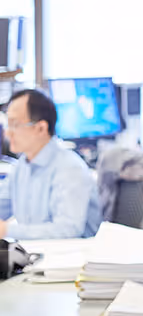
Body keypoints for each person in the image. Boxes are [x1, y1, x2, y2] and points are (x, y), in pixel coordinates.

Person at [0, 89, 102, 240]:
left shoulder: (70, 168)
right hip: (37, 255)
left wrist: (7, 230)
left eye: (15, 124)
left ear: (41, 128)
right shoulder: (23, 165)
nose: (8, 133)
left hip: (71, 259)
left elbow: (68, 230)